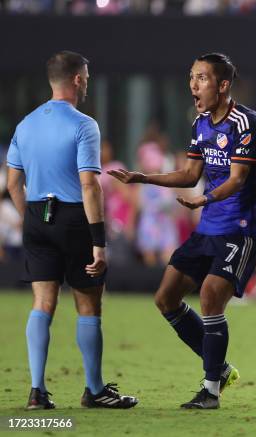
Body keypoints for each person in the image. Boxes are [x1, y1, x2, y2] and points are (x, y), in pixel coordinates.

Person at [108, 53, 256, 410]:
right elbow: (188, 174)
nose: (193, 85)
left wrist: (203, 199)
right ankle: (220, 369)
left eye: (202, 78)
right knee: (166, 298)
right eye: (191, 77)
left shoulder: (246, 123)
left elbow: (238, 180)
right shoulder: (200, 123)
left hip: (239, 230)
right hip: (208, 227)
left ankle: (210, 390)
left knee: (210, 296)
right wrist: (143, 178)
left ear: (223, 85)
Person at [6, 51, 138, 410]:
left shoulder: (26, 124)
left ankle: (37, 391)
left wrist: (30, 219)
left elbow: (13, 182)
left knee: (42, 303)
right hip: (74, 219)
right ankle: (94, 391)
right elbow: (89, 185)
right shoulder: (84, 125)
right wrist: (99, 242)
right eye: (87, 79)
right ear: (78, 79)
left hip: (37, 216)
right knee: (89, 304)